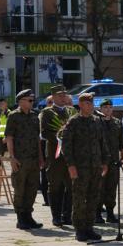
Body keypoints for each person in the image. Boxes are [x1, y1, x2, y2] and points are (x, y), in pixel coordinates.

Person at [61, 93, 109, 242]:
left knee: (93, 198)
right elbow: (66, 146)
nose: (90, 106)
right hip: (80, 167)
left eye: (92, 103)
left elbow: (102, 143)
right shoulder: (73, 122)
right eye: (87, 103)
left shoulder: (96, 121)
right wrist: (71, 165)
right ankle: (79, 229)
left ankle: (89, 227)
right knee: (79, 199)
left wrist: (105, 162)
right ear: (80, 105)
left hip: (95, 166)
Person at [5, 89, 44, 230]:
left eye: (32, 100)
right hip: (20, 160)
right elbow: (9, 138)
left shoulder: (35, 116)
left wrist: (41, 157)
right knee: (20, 189)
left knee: (32, 189)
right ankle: (21, 218)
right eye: (29, 100)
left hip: (33, 159)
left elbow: (37, 139)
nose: (32, 102)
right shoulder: (13, 116)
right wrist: (12, 158)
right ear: (21, 101)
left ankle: (28, 215)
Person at [40, 85, 76, 227]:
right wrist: (60, 138)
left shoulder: (71, 111)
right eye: (60, 95)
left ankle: (67, 215)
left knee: (70, 186)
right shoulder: (47, 112)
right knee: (55, 185)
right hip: (55, 155)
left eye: (64, 95)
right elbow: (44, 133)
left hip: (70, 155)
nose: (63, 98)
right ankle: (56, 216)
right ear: (53, 97)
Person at [96, 99, 123, 224]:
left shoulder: (117, 123)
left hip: (114, 162)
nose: (108, 109)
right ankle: (97, 214)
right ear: (101, 109)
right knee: (99, 188)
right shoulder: (96, 122)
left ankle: (110, 213)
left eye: (110, 107)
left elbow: (122, 144)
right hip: (99, 162)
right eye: (105, 107)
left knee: (111, 188)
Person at [39, 95, 54, 207]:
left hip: (57, 148)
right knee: (45, 175)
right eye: (49, 102)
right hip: (44, 146)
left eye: (53, 102)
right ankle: (47, 199)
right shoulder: (42, 115)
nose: (51, 104)